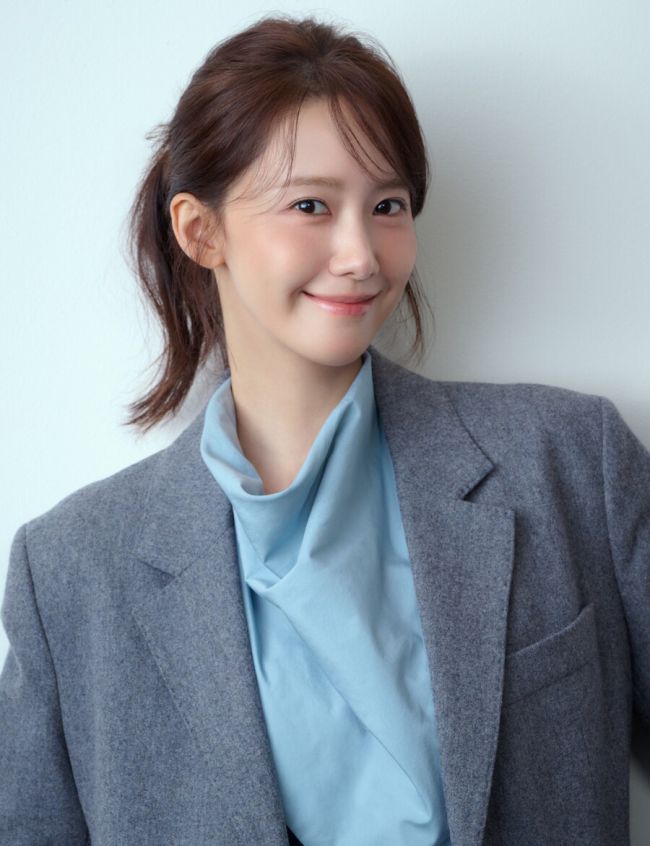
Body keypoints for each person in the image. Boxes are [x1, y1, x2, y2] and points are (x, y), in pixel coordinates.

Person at [0, 14, 648, 846]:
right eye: (310, 205)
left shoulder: (570, 460)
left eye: (387, 206)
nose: (361, 255)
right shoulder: (70, 571)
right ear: (201, 231)